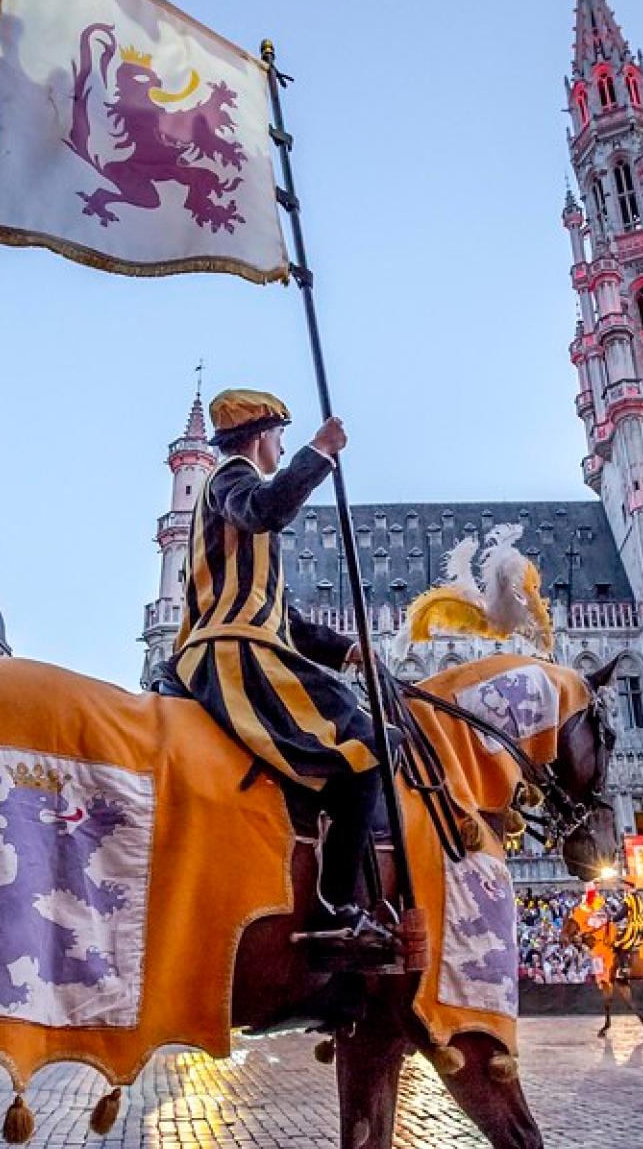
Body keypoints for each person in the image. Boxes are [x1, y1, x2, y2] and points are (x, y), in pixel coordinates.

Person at [165, 388, 402, 972]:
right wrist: (319, 456)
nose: (283, 446)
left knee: (359, 744)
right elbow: (265, 507)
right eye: (281, 436)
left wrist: (350, 651)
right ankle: (335, 906)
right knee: (372, 744)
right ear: (261, 436)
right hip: (233, 657)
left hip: (254, 645)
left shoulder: (243, 514)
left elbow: (283, 621)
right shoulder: (230, 478)